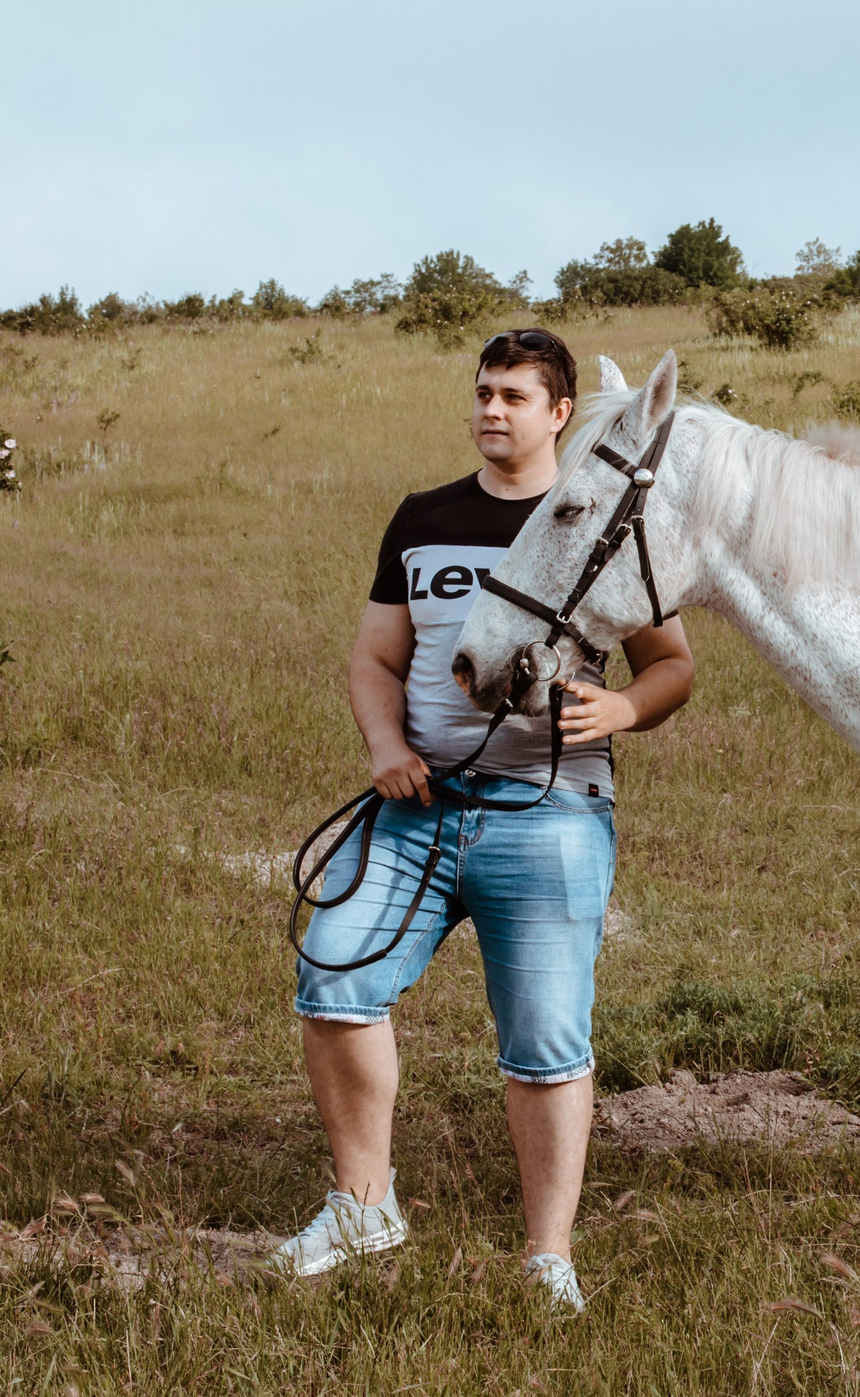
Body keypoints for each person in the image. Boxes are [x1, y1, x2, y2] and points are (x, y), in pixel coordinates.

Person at [273, 329, 695, 1311]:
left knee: (545, 1040)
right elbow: (376, 658)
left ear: (560, 413)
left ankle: (549, 1258)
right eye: (482, 392)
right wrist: (386, 745)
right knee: (332, 979)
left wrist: (624, 708)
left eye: (514, 396)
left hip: (550, 813)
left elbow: (671, 665)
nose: (491, 409)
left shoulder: (593, 515)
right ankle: (362, 1207)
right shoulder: (423, 519)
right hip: (417, 806)